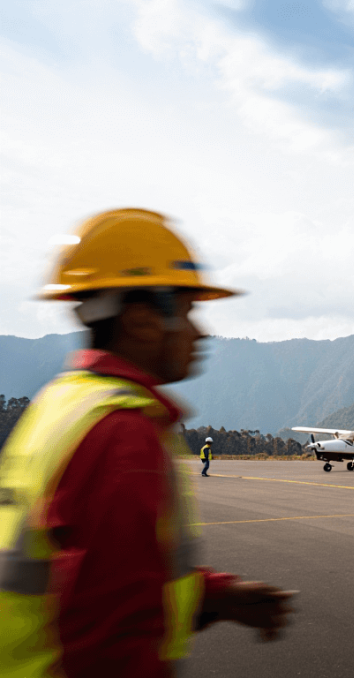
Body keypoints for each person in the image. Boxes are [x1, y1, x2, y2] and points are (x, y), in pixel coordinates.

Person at [0, 209, 295, 677]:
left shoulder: (63, 403)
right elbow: (112, 638)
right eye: (187, 311)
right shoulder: (121, 431)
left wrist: (216, 596)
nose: (200, 332)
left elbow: (109, 574)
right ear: (140, 318)